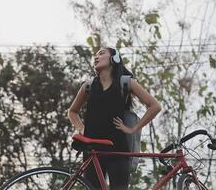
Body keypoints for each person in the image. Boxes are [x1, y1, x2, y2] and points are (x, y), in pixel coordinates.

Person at [67, 47, 161, 190]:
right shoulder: (88, 86)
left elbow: (154, 106)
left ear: (114, 59)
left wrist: (133, 129)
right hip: (92, 150)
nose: (96, 57)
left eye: (101, 53)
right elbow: (72, 112)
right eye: (95, 55)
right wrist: (82, 128)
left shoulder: (125, 82)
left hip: (118, 149)